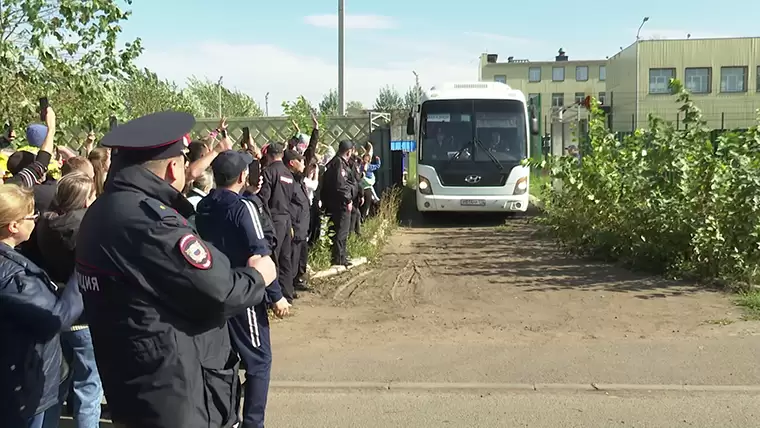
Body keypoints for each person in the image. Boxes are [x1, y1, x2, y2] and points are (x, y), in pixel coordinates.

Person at [74, 111, 277, 428]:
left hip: (132, 382)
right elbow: (218, 290)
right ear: (172, 168)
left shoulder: (103, 210)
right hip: (174, 391)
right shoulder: (150, 222)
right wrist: (259, 276)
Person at [196, 150, 291, 428]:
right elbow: (258, 257)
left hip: (213, 291)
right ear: (241, 176)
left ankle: (227, 418)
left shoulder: (203, 207)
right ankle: (252, 423)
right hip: (243, 293)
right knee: (259, 361)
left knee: (224, 362)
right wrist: (276, 296)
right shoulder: (243, 207)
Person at [0, 183, 84, 428]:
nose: (36, 220)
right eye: (31, 216)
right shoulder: (14, 277)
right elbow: (54, 319)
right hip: (20, 386)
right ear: (13, 226)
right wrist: (82, 272)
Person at [34, 172, 101, 428]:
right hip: (85, 315)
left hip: (54, 310)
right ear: (85, 200)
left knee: (56, 387)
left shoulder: (44, 224)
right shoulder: (88, 228)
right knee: (89, 388)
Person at [257, 142, 296, 302]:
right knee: (286, 258)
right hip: (287, 219)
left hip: (274, 219)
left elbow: (264, 199)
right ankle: (288, 293)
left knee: (273, 258)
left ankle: (274, 297)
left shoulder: (269, 172)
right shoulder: (288, 173)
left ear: (268, 155)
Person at [321, 140, 357, 266]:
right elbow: (340, 185)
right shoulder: (338, 164)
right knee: (342, 230)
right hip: (340, 203)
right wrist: (348, 200)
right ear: (348, 151)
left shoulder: (338, 163)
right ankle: (339, 257)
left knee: (341, 229)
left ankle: (341, 254)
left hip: (337, 201)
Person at [283, 150, 311, 292]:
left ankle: (298, 279)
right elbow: (285, 204)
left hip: (303, 225)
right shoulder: (288, 180)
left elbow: (309, 154)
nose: (304, 164)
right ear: (292, 163)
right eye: (301, 161)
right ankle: (290, 285)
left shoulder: (298, 178)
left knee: (301, 255)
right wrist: (291, 225)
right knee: (293, 257)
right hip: (295, 224)